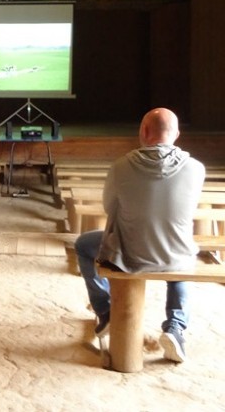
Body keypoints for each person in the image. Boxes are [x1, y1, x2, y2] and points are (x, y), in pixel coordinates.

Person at [74, 107, 205, 363]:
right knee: (183, 256)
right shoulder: (196, 169)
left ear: (144, 131)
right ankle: (176, 327)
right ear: (177, 134)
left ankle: (105, 311)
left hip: (127, 254)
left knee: (83, 245)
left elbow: (109, 208)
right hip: (175, 254)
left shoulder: (121, 167)